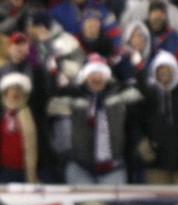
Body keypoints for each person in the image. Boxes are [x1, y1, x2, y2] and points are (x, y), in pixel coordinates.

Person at [47, 54, 143, 185]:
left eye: (100, 73)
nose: (97, 77)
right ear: (85, 77)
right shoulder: (72, 96)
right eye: (92, 73)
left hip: (114, 167)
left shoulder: (120, 95)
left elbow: (140, 99)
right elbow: (51, 108)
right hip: (80, 167)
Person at [137, 51, 178, 184]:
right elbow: (137, 122)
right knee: (157, 201)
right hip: (155, 159)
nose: (163, 73)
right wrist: (141, 142)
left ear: (175, 70)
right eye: (160, 69)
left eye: (167, 69)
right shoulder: (149, 95)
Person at [0, 73, 38, 183]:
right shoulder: (2, 115)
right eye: (10, 90)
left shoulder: (30, 114)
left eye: (18, 90)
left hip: (25, 171)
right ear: (5, 94)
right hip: (4, 170)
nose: (14, 93)